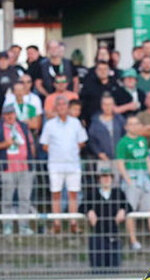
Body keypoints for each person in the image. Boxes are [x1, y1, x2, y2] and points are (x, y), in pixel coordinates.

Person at [40, 95, 87, 234]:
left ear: (67, 107)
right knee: (56, 194)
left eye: (64, 105)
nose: (61, 107)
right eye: (59, 105)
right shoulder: (49, 124)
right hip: (55, 165)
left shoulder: (75, 123)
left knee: (73, 193)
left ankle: (73, 223)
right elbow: (44, 145)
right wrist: (58, 153)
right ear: (55, 107)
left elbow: (82, 142)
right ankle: (57, 223)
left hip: (73, 164)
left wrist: (71, 151)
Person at [115, 116, 150, 251]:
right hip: (132, 177)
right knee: (131, 210)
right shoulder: (123, 143)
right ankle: (133, 241)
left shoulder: (142, 140)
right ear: (126, 127)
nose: (134, 126)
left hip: (145, 178)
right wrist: (128, 180)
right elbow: (120, 163)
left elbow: (147, 159)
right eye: (131, 124)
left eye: (136, 124)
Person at [84, 165, 129, 273]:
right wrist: (89, 211)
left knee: (114, 267)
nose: (106, 179)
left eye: (108, 176)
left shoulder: (118, 193)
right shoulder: (92, 193)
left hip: (113, 233)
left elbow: (128, 206)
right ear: (99, 179)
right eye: (103, 176)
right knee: (97, 267)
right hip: (97, 234)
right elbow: (83, 206)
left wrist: (123, 210)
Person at [0, 102, 36, 235]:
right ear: (3, 116)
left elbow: (30, 143)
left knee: (25, 198)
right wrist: (5, 144)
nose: (10, 116)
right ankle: (7, 226)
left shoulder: (23, 126)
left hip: (25, 167)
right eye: (7, 114)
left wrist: (32, 161)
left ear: (15, 114)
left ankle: (23, 226)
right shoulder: (0, 128)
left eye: (11, 114)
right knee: (7, 199)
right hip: (8, 168)